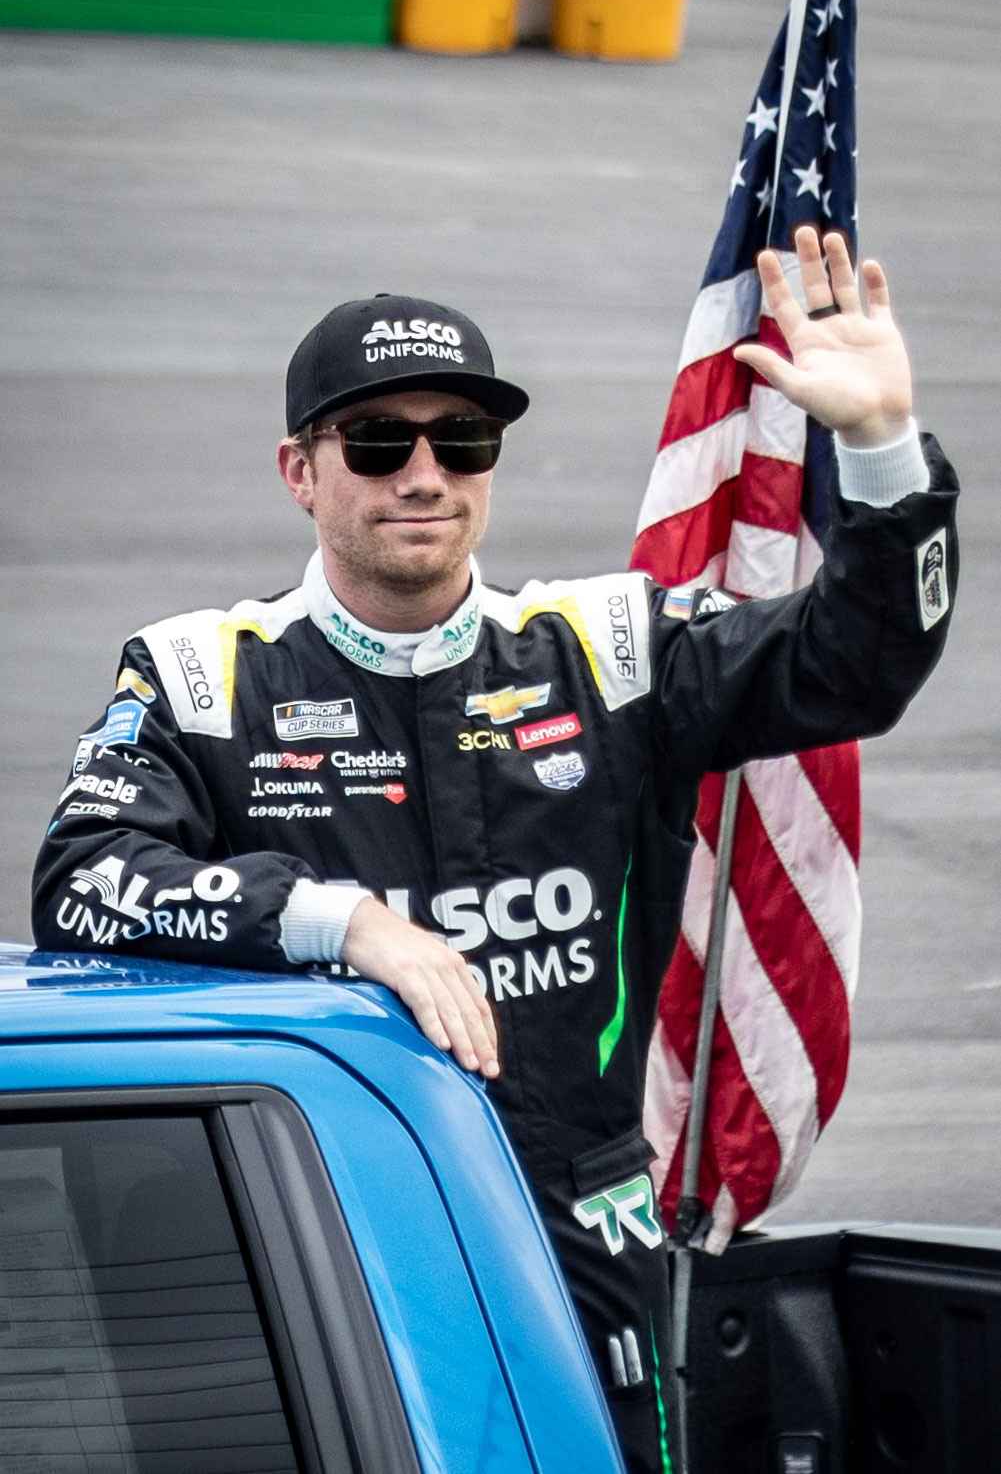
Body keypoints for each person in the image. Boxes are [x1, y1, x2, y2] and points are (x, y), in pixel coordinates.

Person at [32, 228, 958, 1474]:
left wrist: (881, 444)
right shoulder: (202, 675)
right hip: (325, 1212)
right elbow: (81, 881)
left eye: (461, 440)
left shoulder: (610, 646)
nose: (424, 474)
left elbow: (859, 664)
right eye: (378, 442)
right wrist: (345, 922)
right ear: (300, 470)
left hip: (580, 1222)